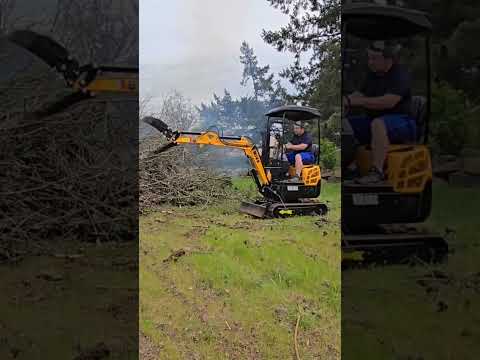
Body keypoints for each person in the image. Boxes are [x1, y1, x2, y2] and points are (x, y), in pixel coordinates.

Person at [344, 40, 416, 184]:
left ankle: (377, 172)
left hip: (402, 122)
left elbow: (388, 102)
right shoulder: (372, 75)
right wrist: (345, 100)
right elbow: (359, 94)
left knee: (378, 123)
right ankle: (350, 166)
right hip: (373, 121)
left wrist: (354, 102)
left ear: (388, 59)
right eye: (369, 58)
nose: (370, 62)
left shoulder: (399, 75)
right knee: (345, 123)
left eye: (374, 58)